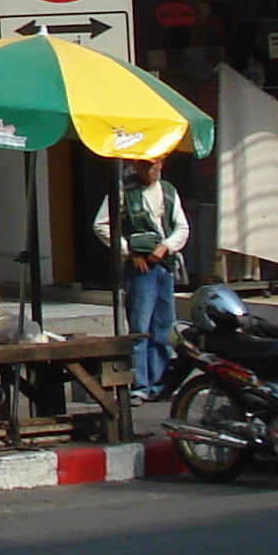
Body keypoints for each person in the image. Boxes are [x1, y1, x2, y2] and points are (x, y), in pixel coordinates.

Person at [92, 155, 190, 391]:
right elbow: (102, 225)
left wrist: (165, 247)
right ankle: (139, 384)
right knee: (140, 327)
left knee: (163, 327)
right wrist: (128, 251)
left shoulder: (167, 191)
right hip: (140, 269)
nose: (149, 169)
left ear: (161, 164)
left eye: (154, 163)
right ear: (135, 165)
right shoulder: (123, 189)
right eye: (144, 164)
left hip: (164, 266)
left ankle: (159, 384)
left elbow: (182, 227)